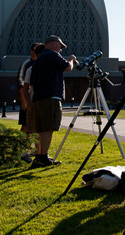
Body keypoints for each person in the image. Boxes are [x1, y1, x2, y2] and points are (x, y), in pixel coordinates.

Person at [30, 35, 76, 168]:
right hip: (51, 97)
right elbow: (68, 67)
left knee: (41, 128)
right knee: (48, 127)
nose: (60, 50)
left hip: (39, 98)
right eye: (60, 47)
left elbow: (33, 83)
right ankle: (42, 158)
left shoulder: (38, 60)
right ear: (55, 45)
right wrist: (71, 60)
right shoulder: (52, 55)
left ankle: (41, 156)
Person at [22, 43, 45, 157]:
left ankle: (39, 153)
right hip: (33, 103)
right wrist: (27, 103)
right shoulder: (30, 68)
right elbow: (24, 87)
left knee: (41, 130)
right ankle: (24, 151)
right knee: (30, 129)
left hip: (44, 103)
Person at [17, 42, 41, 136]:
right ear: (31, 51)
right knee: (25, 125)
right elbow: (20, 83)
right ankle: (21, 146)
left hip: (37, 100)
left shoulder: (41, 64)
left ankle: (37, 150)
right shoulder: (26, 64)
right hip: (28, 100)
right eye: (35, 50)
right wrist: (23, 100)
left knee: (37, 127)